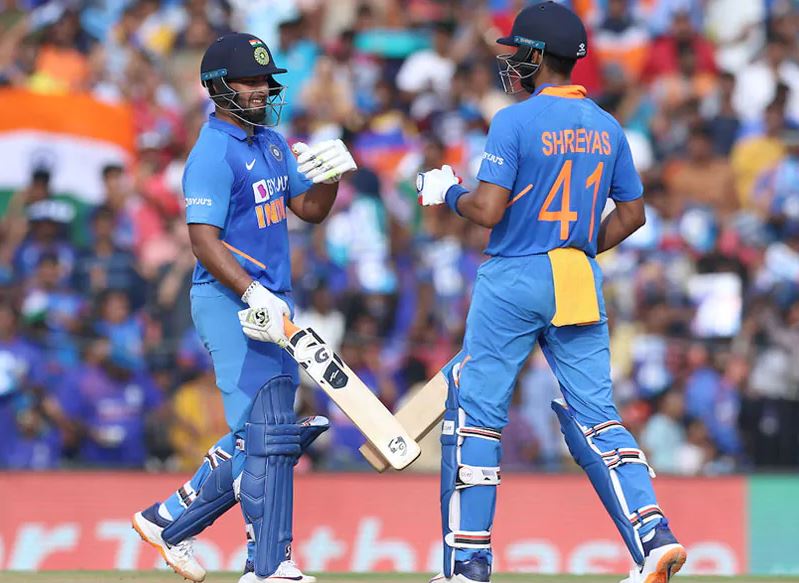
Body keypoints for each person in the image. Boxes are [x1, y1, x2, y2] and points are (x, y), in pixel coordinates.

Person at [415, 3, 687, 583]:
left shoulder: (514, 120)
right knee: (598, 414)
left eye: (518, 53)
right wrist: (578, 245)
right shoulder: (608, 125)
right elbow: (633, 215)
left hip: (514, 274)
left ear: (539, 57)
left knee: (477, 416)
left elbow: (489, 210)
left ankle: (467, 565)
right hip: (576, 274)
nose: (512, 63)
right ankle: (653, 536)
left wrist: (448, 192)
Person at [131, 31, 356, 583]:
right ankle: (269, 564)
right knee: (268, 435)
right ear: (218, 87)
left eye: (266, 81)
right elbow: (202, 241)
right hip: (229, 300)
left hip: (273, 302)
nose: (262, 90)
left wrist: (330, 176)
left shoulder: (272, 143)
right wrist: (253, 293)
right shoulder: (211, 152)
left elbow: (309, 209)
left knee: (262, 433)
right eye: (250, 81)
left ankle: (168, 521)